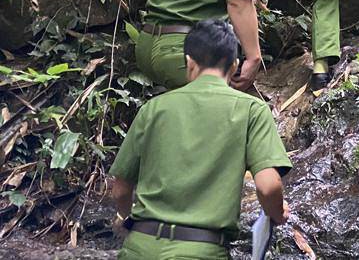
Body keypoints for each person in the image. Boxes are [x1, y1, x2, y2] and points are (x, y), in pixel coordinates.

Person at [110, 19, 292, 259]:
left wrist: (124, 218)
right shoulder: (251, 110)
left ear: (189, 63)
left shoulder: (153, 108)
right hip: (202, 250)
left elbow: (121, 189)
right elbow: (268, 187)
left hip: (140, 247)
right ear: (234, 65)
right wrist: (277, 213)